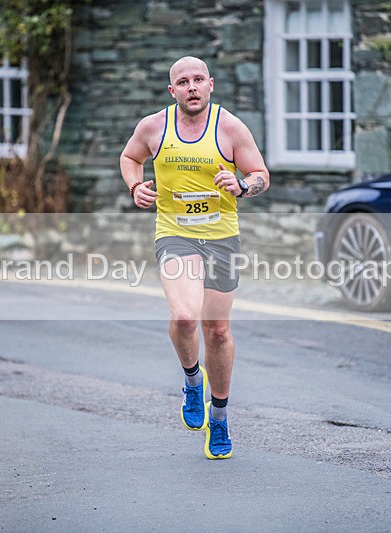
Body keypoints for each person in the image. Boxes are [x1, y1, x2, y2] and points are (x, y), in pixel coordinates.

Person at [119, 56, 269, 459]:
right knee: (186, 317)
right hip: (175, 234)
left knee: (217, 331)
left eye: (198, 79)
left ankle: (218, 417)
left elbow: (260, 175)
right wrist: (136, 187)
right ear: (173, 91)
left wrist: (240, 185)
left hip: (222, 238)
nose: (191, 87)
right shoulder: (154, 127)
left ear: (210, 85)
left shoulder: (230, 127)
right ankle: (191, 380)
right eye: (183, 81)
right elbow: (130, 157)